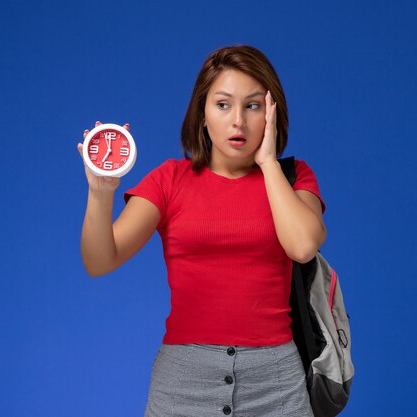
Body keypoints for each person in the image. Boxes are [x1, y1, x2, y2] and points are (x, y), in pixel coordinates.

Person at [77, 45, 326, 417]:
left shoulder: (294, 179)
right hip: (183, 381)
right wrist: (100, 192)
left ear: (272, 114)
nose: (237, 121)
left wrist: (269, 163)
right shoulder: (170, 180)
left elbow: (303, 246)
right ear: (203, 114)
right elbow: (99, 260)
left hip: (276, 383)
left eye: (253, 106)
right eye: (223, 105)